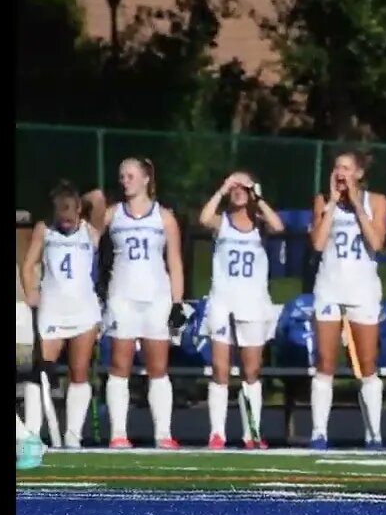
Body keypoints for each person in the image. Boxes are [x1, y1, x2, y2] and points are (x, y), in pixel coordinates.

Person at [88, 158, 186, 449]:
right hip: (123, 297)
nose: (125, 180)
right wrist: (92, 205)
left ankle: (163, 433)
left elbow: (176, 263)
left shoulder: (164, 217)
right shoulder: (112, 214)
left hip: (156, 298)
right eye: (121, 176)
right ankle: (118, 433)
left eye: (131, 175)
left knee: (159, 367)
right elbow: (90, 240)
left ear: (146, 179)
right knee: (120, 365)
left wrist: (177, 304)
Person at [198, 171, 285, 449]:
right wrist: (223, 188)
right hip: (223, 301)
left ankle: (252, 433)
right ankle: (217, 433)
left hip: (253, 303)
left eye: (243, 187)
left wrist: (258, 197)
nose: (238, 190)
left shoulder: (260, 225)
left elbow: (279, 226)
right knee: (220, 369)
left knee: (252, 370)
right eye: (234, 187)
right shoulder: (221, 223)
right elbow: (203, 218)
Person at [310, 150, 386, 450]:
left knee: (367, 363)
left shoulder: (376, 201)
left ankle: (374, 433)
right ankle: (319, 432)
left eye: (346, 168)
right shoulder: (322, 200)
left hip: (363, 290)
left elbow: (377, 242)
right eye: (336, 167)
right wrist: (331, 202)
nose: (340, 173)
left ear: (358, 173)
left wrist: (356, 202)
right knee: (326, 361)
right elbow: (318, 243)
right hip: (329, 288)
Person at [19, 181, 103, 449]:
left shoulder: (90, 230)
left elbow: (99, 198)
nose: (65, 222)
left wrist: (73, 195)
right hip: (52, 309)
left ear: (78, 209)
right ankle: (32, 432)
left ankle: (73, 435)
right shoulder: (46, 230)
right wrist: (31, 291)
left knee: (79, 372)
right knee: (41, 372)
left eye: (69, 216)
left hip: (84, 310)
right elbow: (29, 264)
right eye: (61, 217)